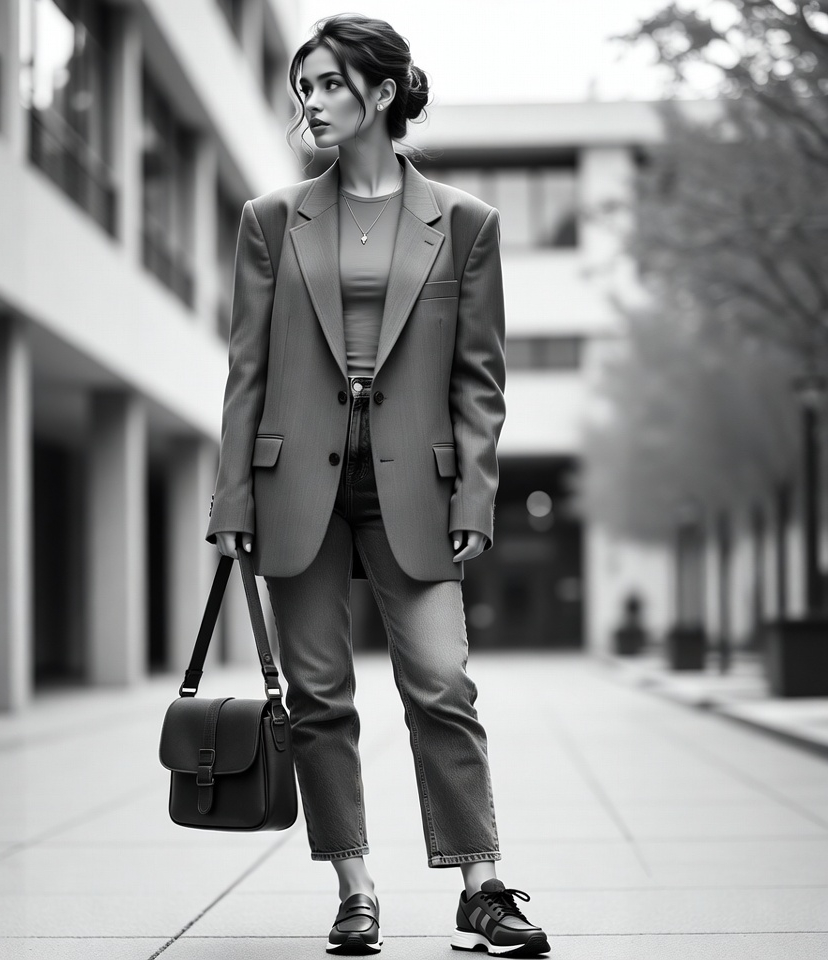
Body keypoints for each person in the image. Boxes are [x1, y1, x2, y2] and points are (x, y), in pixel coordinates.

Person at [206, 13, 550, 957]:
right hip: (293, 487)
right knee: (320, 697)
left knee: (442, 684)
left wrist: (476, 494)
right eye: (302, 86)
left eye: (325, 84)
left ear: (382, 93)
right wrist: (229, 500)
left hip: (420, 490)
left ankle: (482, 888)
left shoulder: (464, 224)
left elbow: (479, 379)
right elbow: (246, 372)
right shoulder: (271, 220)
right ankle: (355, 888)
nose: (308, 102)